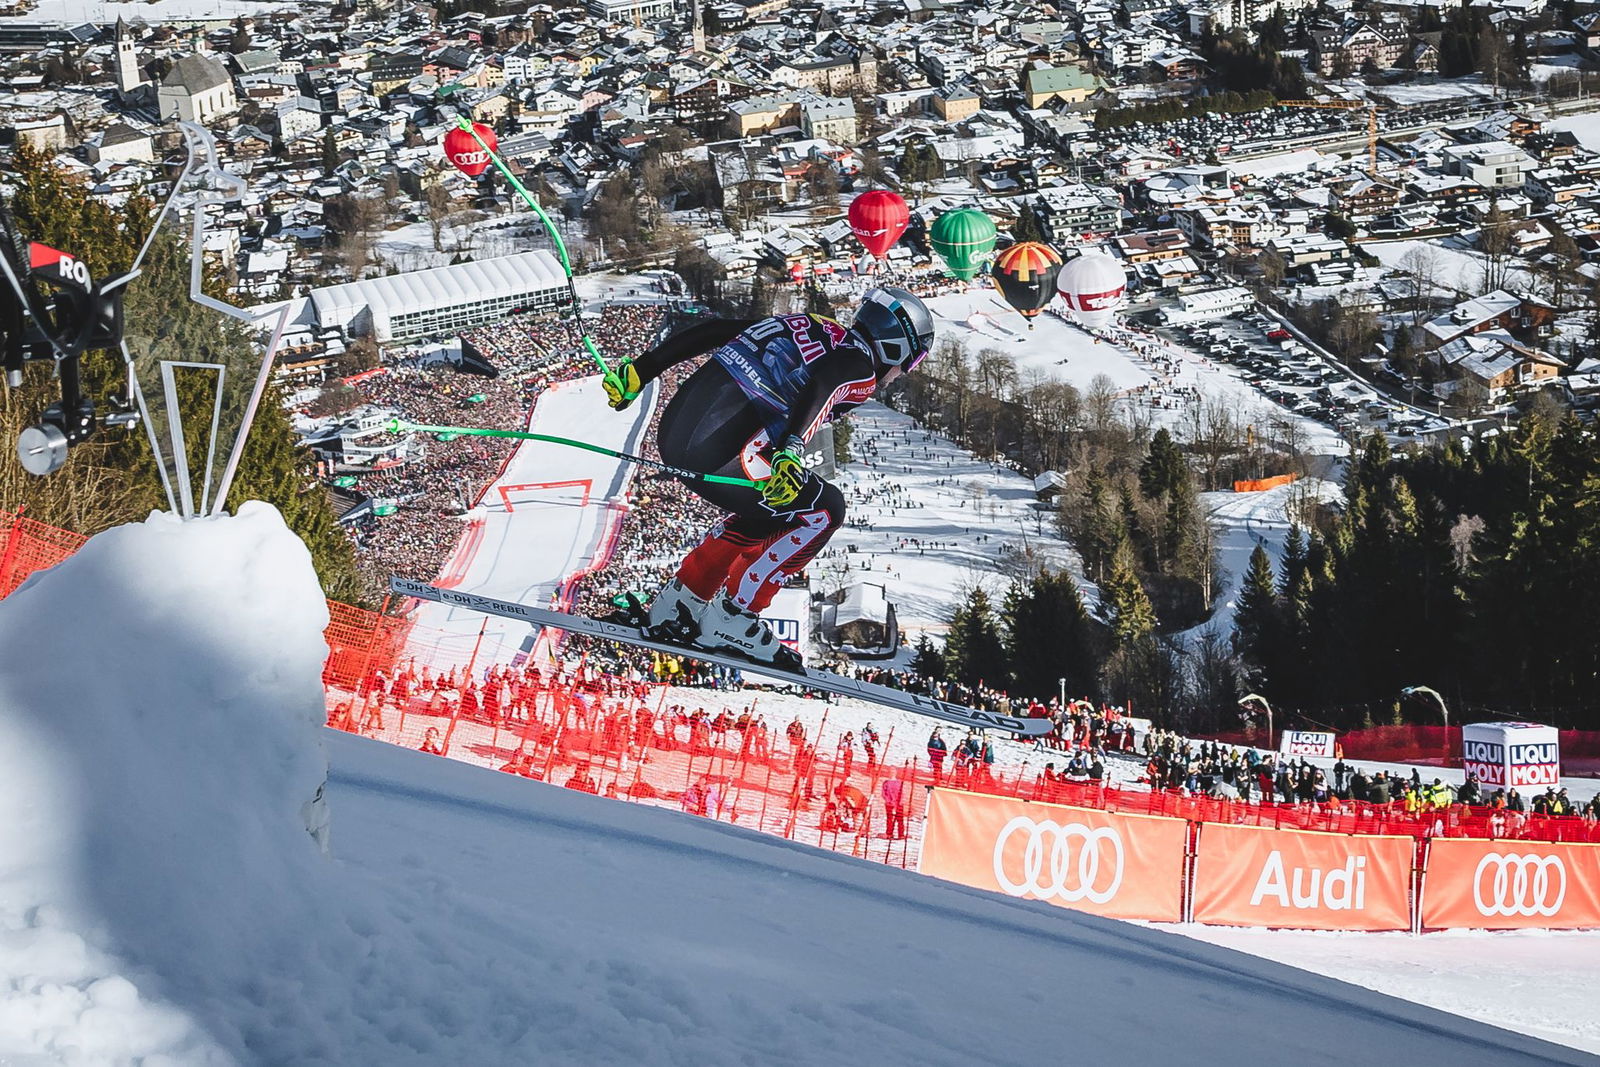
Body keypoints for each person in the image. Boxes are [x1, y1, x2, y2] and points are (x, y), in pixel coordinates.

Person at [603, 288, 936, 664]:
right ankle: (735, 615)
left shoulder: (811, 325)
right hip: (718, 456)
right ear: (896, 346)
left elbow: (715, 330)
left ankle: (683, 598)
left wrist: (643, 369)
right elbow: (827, 382)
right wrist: (791, 449)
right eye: (914, 359)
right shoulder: (860, 369)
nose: (905, 372)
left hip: (675, 435)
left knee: (775, 506)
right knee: (825, 509)